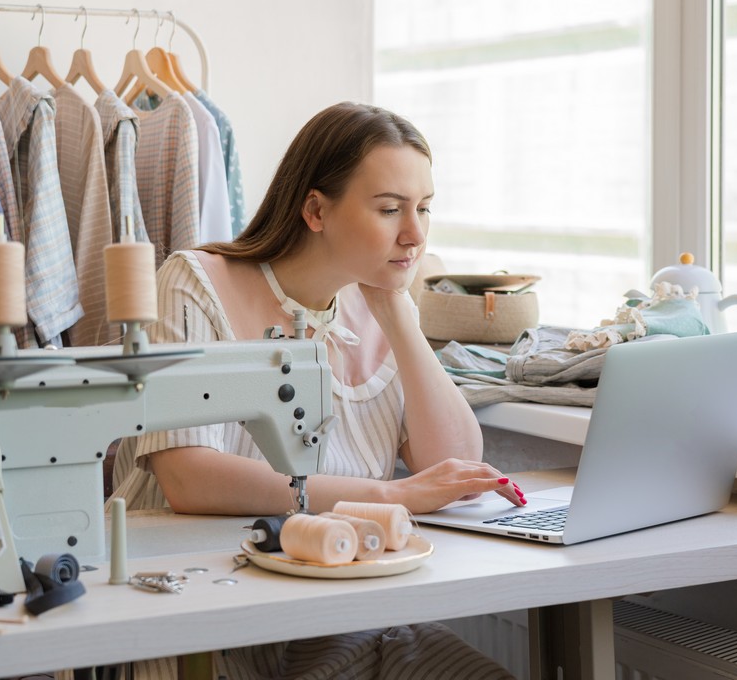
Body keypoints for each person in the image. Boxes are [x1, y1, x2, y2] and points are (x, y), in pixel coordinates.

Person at [111, 101, 525, 679]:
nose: (414, 234)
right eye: (389, 209)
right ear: (315, 210)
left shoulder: (376, 304)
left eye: (424, 209)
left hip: (343, 613)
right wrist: (389, 497)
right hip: (204, 613)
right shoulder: (194, 284)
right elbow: (188, 477)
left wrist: (396, 309)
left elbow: (453, 464)